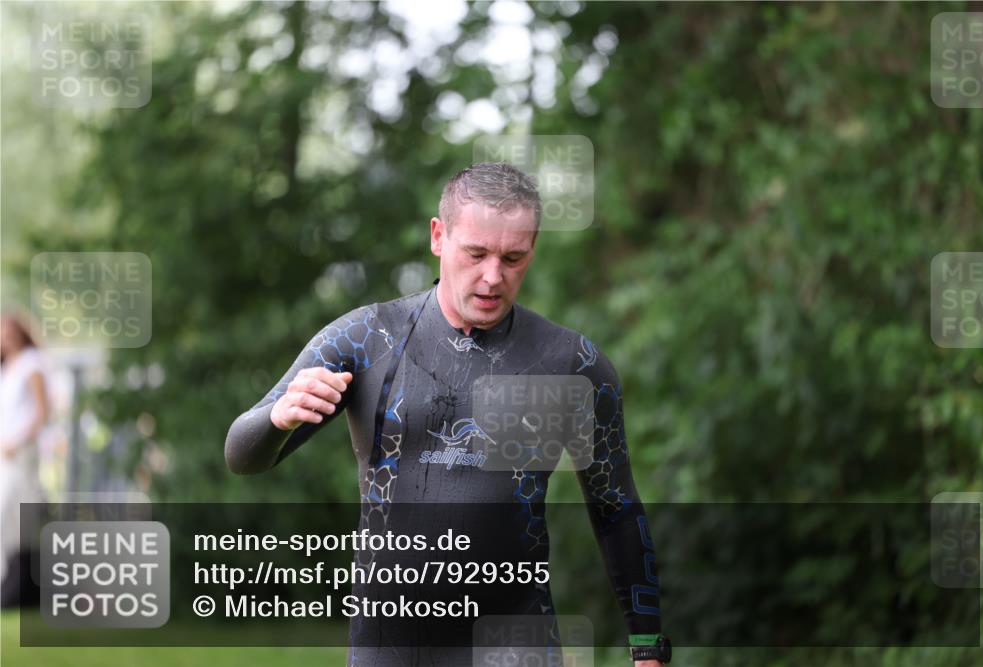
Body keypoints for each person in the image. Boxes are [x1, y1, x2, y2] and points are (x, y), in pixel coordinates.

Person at [226, 163, 670, 666]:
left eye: (513, 258)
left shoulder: (570, 364)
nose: (492, 277)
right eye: (476, 253)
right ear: (439, 237)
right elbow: (242, 456)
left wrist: (648, 645)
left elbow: (617, 510)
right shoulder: (369, 338)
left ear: (532, 251)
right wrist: (277, 419)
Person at [0, 314, 50, 608]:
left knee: (13, 515)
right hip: (5, 456)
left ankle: (16, 586)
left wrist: (16, 443)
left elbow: (42, 412)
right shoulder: (7, 368)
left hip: (20, 456)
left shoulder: (32, 363)